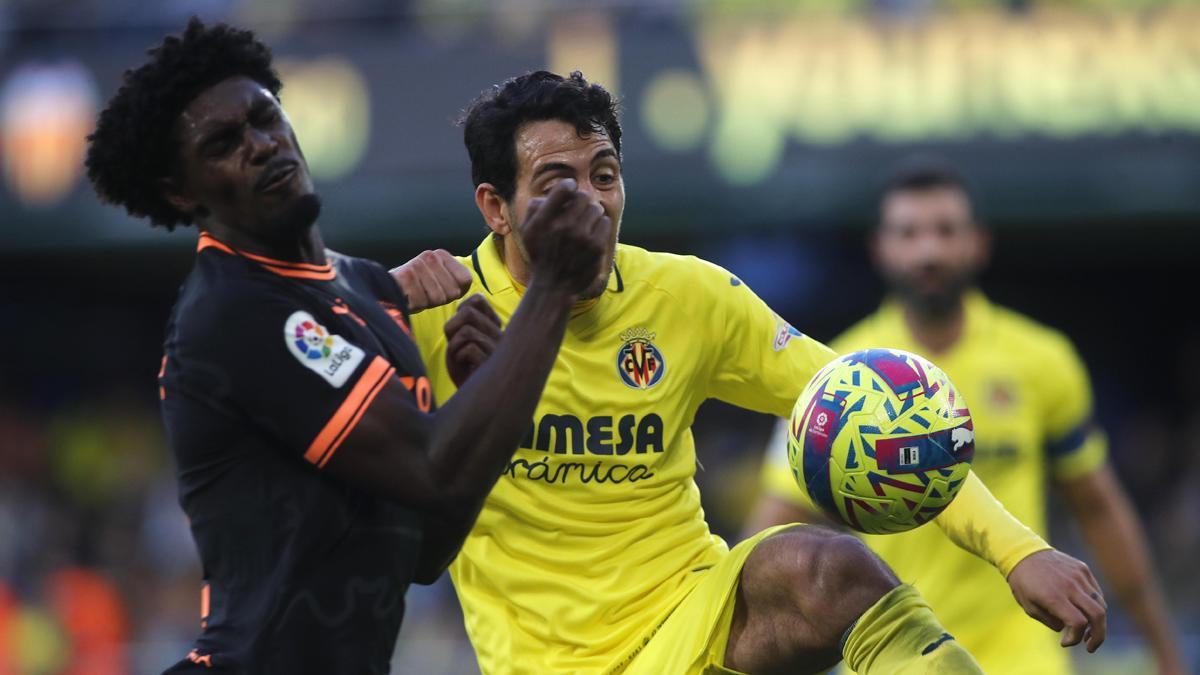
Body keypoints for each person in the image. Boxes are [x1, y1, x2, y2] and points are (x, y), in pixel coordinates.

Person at [392, 71, 1107, 675]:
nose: (593, 202)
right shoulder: (439, 311)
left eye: (604, 174)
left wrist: (1021, 552)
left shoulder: (688, 298)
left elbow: (884, 413)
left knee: (829, 571)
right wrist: (373, 298)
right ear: (496, 209)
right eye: (557, 182)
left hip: (693, 613)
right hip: (541, 660)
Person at [85, 20, 611, 673]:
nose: (260, 144)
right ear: (181, 192)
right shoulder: (236, 308)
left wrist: (484, 388)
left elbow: (423, 548)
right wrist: (553, 285)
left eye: (264, 117)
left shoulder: (362, 288)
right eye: (223, 143)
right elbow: (433, 468)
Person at [745, 158, 1186, 674]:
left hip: (1026, 656)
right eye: (908, 233)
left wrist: (1164, 649)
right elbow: (771, 531)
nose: (929, 250)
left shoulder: (1041, 360)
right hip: (898, 657)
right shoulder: (834, 378)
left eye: (946, 231)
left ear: (978, 242)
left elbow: (1098, 508)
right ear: (880, 249)